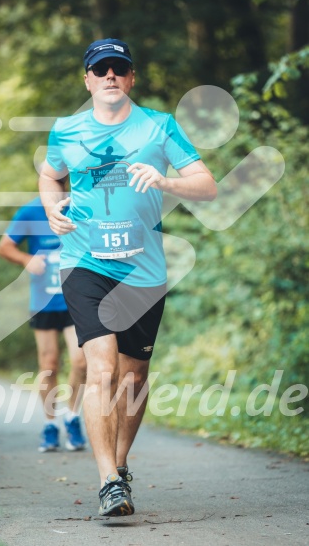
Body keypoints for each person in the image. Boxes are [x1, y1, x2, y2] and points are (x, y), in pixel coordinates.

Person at [39, 38, 217, 516]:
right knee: (101, 369)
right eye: (101, 70)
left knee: (134, 377)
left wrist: (166, 181)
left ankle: (120, 467)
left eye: (119, 68)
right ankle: (107, 481)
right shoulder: (67, 130)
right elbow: (48, 175)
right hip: (85, 262)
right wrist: (51, 206)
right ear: (88, 80)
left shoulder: (159, 126)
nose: (110, 76)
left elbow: (207, 184)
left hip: (144, 268)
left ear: (132, 77)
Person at [0, 196, 87, 452]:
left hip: (76, 298)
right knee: (48, 365)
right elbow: (4, 247)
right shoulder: (30, 211)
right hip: (44, 300)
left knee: (81, 361)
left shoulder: (80, 204)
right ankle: (50, 424)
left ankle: (72, 417)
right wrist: (26, 259)